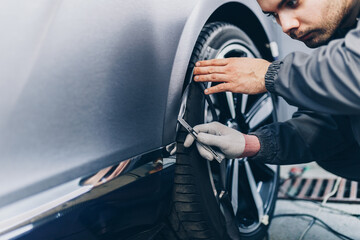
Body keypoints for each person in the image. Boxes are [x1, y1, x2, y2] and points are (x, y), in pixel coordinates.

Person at [184, 0, 360, 181]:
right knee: (333, 152)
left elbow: (354, 72)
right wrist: (250, 143)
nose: (286, 26)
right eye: (273, 15)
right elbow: (333, 126)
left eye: (292, 2)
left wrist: (269, 74)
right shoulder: (342, 34)